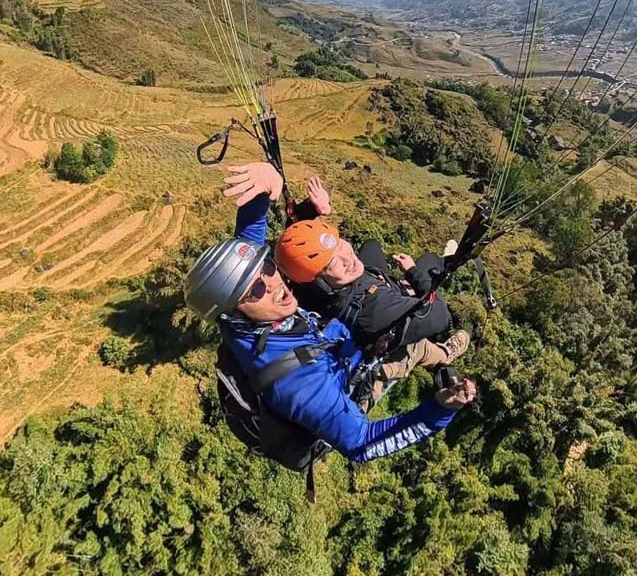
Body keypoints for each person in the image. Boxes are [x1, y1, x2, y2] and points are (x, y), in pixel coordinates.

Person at [184, 162, 476, 464]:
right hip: (345, 385)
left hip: (328, 345)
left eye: (266, 267)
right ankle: (445, 353)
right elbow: (362, 444)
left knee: (404, 340)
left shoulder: (237, 311)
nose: (273, 284)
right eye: (254, 291)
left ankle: (440, 353)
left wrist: (266, 185)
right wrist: (439, 410)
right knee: (411, 351)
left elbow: (249, 239)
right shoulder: (301, 385)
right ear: (233, 313)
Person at [274, 211, 471, 381]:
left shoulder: (303, 288)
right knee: (429, 261)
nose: (347, 257)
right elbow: (440, 316)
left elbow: (299, 253)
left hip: (366, 290)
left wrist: (312, 209)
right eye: (332, 263)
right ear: (320, 283)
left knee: (371, 245)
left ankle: (392, 280)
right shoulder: (375, 310)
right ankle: (445, 353)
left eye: (340, 245)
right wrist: (413, 272)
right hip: (389, 334)